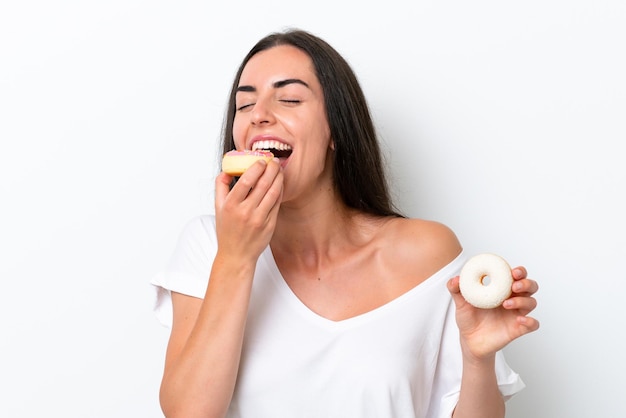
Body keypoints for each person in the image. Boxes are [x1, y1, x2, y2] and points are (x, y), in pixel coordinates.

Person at [151, 28, 540, 418]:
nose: (259, 115)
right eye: (244, 105)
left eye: (288, 98)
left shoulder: (426, 255)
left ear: (336, 129)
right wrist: (236, 258)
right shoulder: (208, 245)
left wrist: (476, 360)